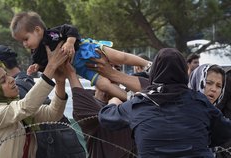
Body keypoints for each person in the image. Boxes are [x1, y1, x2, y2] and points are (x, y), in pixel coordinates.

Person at [98, 48, 231, 158]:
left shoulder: (138, 104)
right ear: (184, 73)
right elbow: (224, 132)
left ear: (155, 71)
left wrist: (114, 101)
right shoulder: (200, 103)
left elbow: (106, 118)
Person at [10, 11, 152, 101]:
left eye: (26, 39)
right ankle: (129, 97)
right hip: (82, 68)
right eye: (22, 41)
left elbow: (71, 29)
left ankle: (147, 64)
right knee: (103, 85)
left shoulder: (52, 34)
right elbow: (47, 68)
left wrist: (70, 42)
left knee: (120, 57)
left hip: (87, 49)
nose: (25, 44)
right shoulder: (36, 54)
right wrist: (38, 67)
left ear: (37, 30)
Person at [0, 44, 86, 158]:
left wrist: (60, 82)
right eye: (3, 80)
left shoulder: (16, 105)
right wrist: (51, 67)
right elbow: (26, 106)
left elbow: (53, 114)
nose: (11, 80)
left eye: (7, 75)